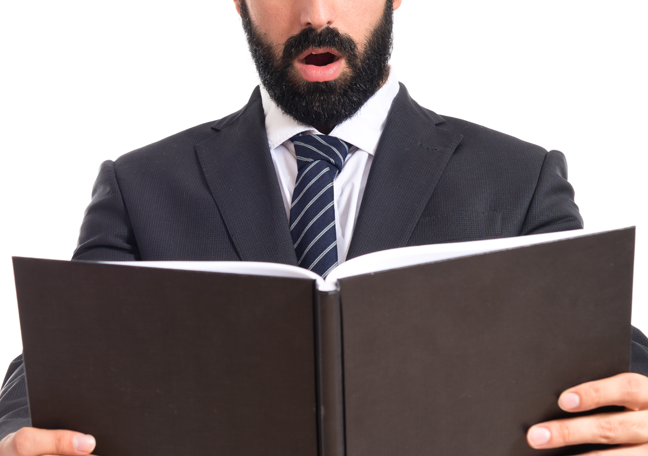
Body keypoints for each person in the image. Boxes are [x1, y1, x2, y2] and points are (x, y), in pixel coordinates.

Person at [2, 0, 648, 454]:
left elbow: (598, 344)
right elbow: (61, 358)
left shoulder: (519, 177)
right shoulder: (141, 186)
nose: (317, 14)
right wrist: (12, 433)